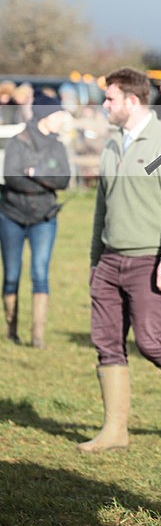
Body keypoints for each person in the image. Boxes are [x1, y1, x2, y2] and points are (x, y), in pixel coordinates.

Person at [78, 68, 161, 453]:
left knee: (151, 341)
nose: (105, 105)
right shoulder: (112, 144)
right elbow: (100, 208)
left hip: (149, 261)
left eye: (110, 99)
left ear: (131, 100)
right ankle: (114, 431)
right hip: (109, 261)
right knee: (107, 343)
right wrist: (96, 262)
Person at [0, 92, 71, 348]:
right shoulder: (19, 141)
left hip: (44, 217)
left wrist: (34, 173)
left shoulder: (58, 145)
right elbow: (12, 178)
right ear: (45, 115)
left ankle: (37, 336)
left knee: (40, 273)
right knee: (11, 274)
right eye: (58, 114)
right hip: (11, 215)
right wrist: (44, 179)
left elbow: (63, 180)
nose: (62, 119)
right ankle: (11, 329)